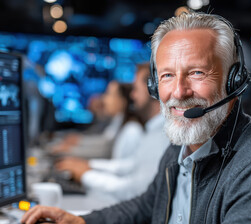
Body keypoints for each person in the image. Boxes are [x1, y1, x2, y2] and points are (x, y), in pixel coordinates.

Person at [21, 12, 251, 224]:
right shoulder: (180, 150)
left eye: (197, 72)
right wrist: (83, 223)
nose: (179, 92)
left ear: (233, 80)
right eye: (167, 76)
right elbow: (146, 207)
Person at [55, 63, 169, 201]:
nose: (132, 95)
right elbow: (131, 165)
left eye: (136, 89)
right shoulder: (152, 131)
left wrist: (86, 173)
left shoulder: (155, 135)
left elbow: (132, 189)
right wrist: (89, 166)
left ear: (153, 90)